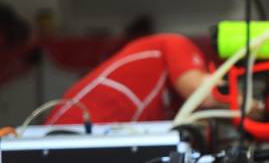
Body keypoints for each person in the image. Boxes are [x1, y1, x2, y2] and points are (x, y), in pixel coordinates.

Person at [45, 33, 222, 125]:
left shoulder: (176, 106)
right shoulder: (176, 43)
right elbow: (202, 92)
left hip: (91, 146)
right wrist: (248, 106)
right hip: (67, 137)